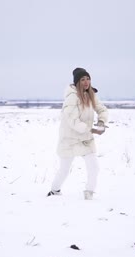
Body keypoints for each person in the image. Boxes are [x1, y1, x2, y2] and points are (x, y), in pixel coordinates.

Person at [47, 67, 108, 200]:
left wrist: (102, 122)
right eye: (82, 79)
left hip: (85, 139)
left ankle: (88, 195)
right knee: (64, 170)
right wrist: (92, 130)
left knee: (94, 168)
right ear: (77, 82)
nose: (86, 82)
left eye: (88, 79)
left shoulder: (91, 94)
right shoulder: (72, 97)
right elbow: (73, 121)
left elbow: (102, 109)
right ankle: (54, 191)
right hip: (70, 139)